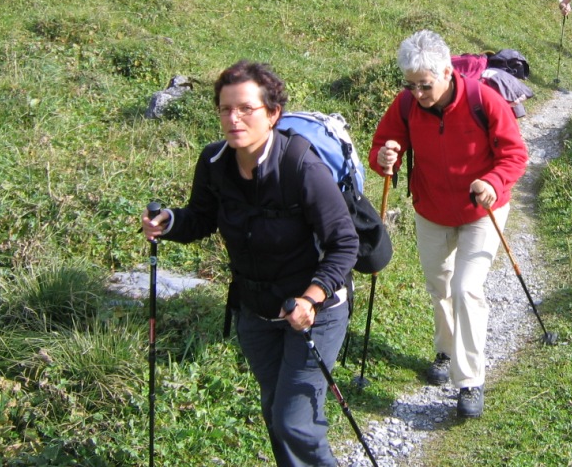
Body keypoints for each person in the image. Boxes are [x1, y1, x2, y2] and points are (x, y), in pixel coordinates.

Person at [141, 61, 358, 467]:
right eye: (225, 109)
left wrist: (311, 299)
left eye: (246, 108)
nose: (233, 118)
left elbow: (345, 244)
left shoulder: (302, 167)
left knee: (295, 422)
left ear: (273, 114)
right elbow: (201, 219)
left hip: (315, 313)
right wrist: (169, 222)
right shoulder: (214, 162)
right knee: (275, 412)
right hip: (256, 311)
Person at [368, 30, 528, 419]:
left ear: (445, 72)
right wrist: (384, 158)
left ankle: (470, 380)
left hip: (482, 210)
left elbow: (515, 154)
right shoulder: (406, 104)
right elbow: (383, 147)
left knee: (466, 288)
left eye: (424, 85)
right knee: (439, 285)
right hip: (432, 209)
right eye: (410, 85)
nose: (418, 93)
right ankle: (445, 350)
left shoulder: (482, 99)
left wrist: (493, 183)